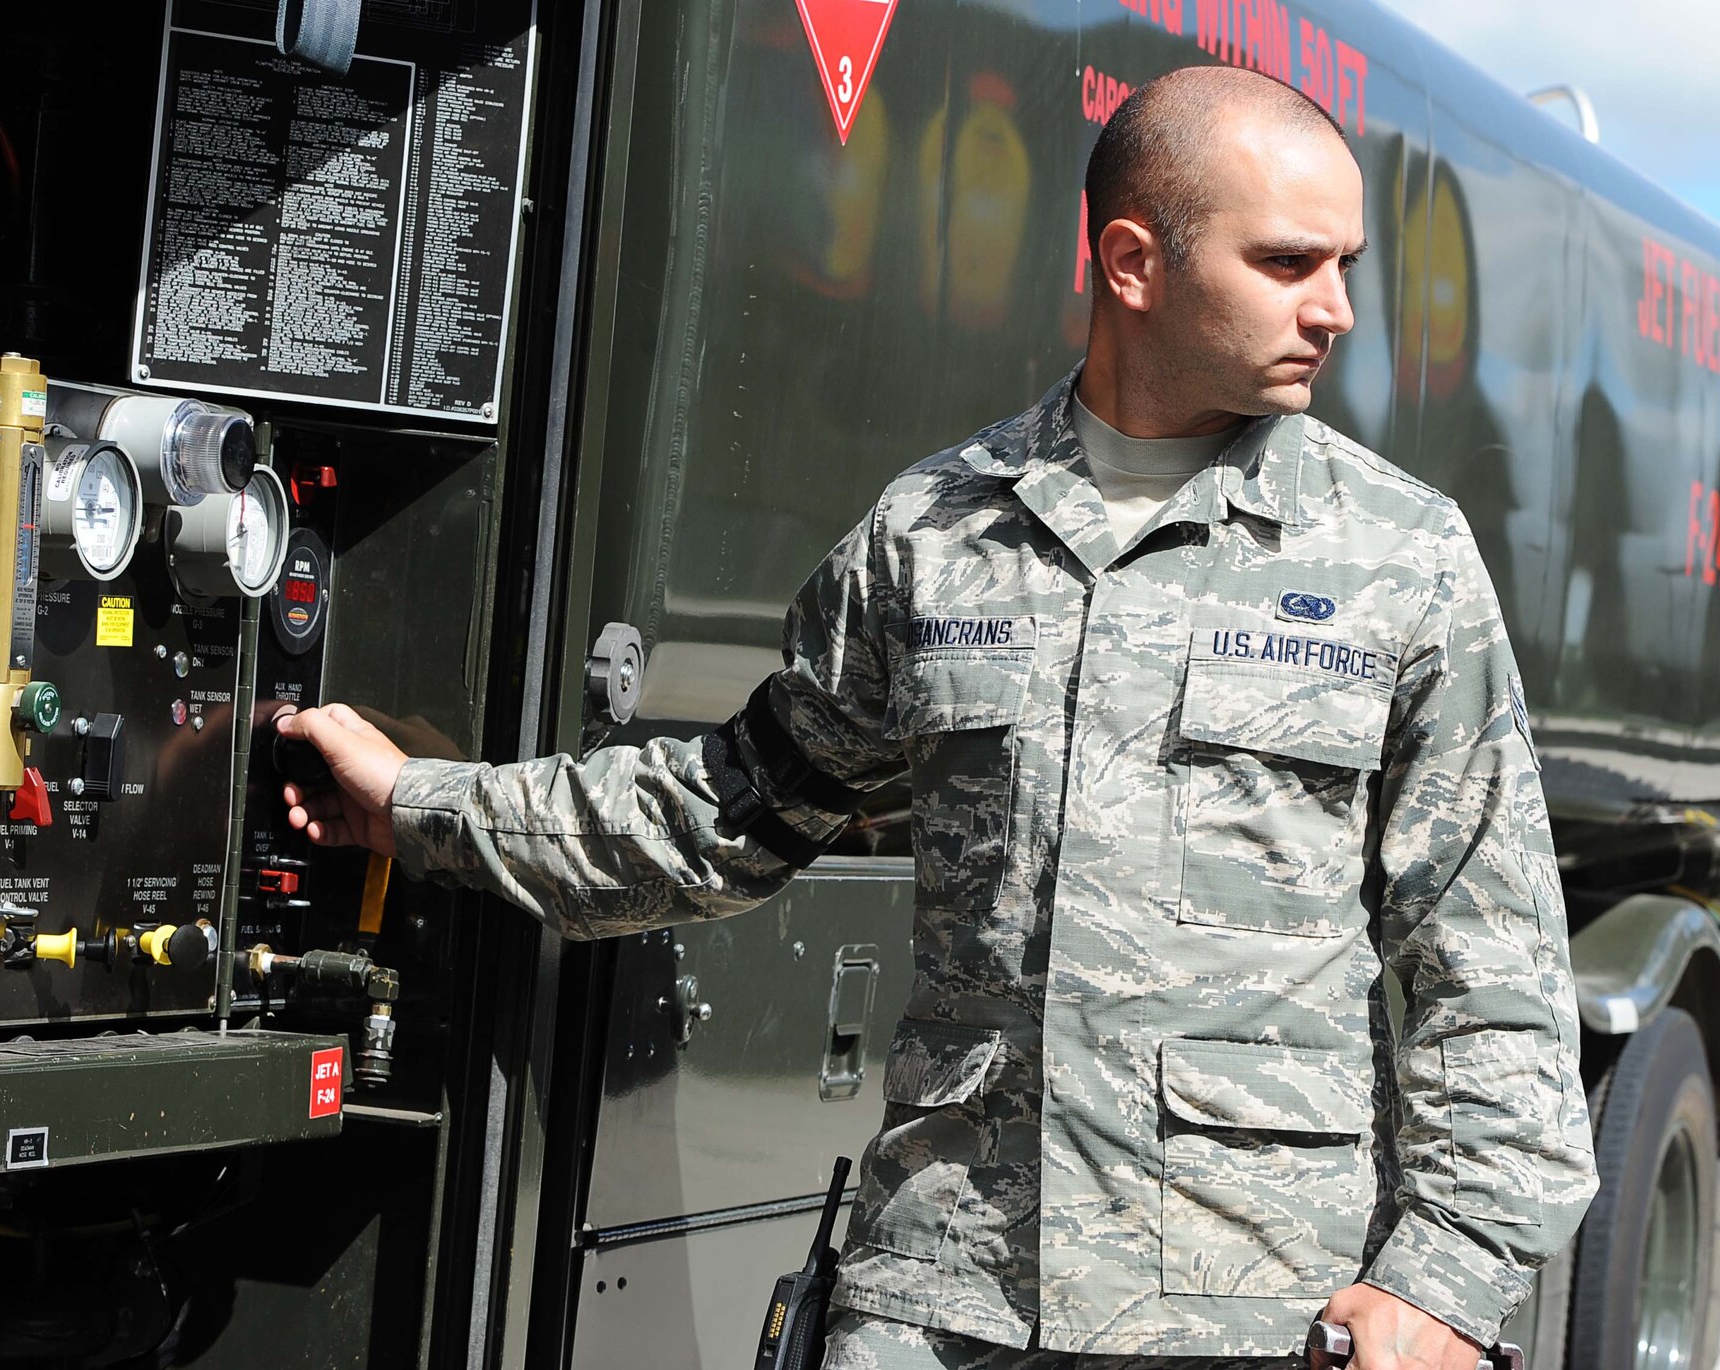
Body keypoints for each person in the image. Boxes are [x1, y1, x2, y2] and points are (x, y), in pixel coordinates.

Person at [276, 65, 1597, 1370]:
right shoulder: (937, 534)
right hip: (945, 1301)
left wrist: (1447, 1278)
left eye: (1346, 263)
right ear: (1133, 264)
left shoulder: (1401, 559)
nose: (1339, 310)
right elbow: (720, 817)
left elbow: (1492, 965)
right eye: (1290, 263)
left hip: (1252, 1312)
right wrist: (413, 804)